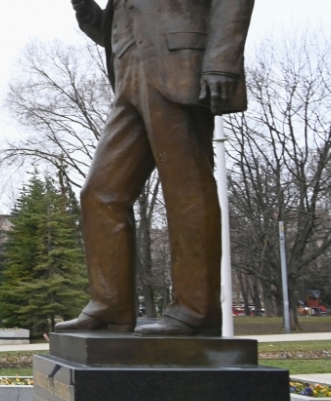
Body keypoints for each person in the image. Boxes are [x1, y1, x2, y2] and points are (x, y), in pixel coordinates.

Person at [55, 0, 253, 337]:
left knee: (186, 189)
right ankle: (110, 308)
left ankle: (195, 311)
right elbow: (113, 30)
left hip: (179, 65)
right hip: (128, 74)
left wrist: (221, 61)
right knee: (100, 194)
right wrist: (83, 6)